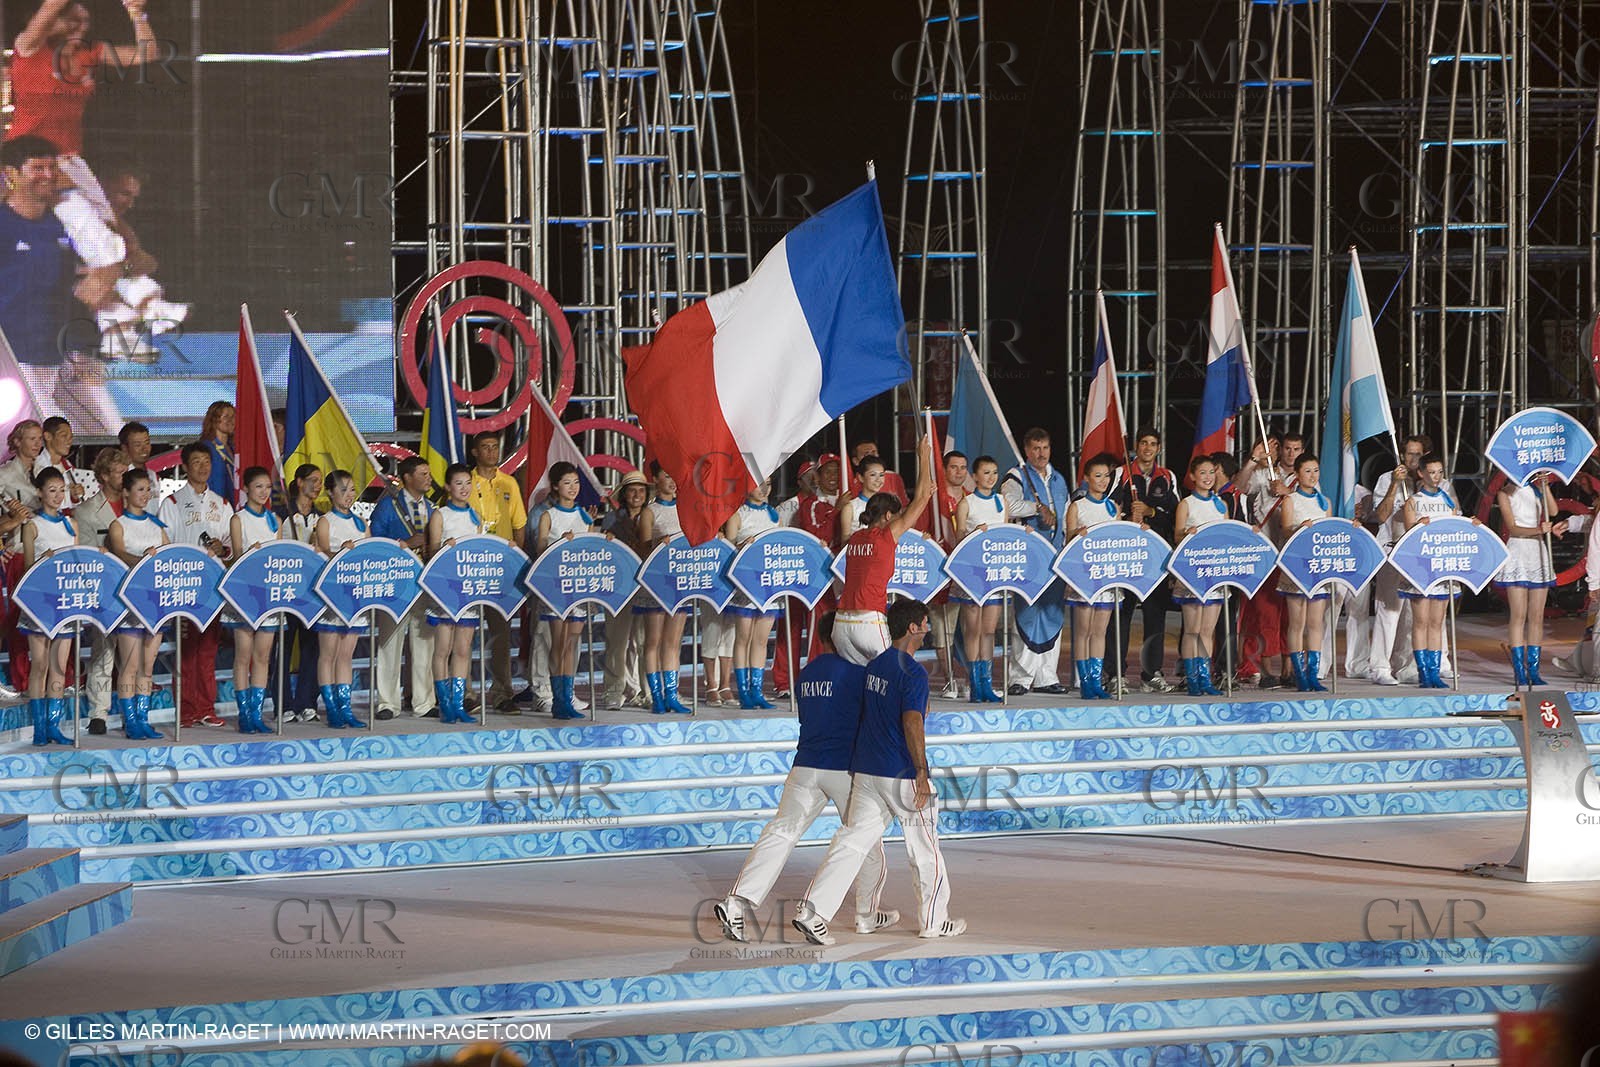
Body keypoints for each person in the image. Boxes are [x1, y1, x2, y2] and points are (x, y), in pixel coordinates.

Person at [713, 612, 893, 942]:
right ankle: (858, 914)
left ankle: (736, 903)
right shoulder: (860, 674)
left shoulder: (807, 673)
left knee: (781, 832)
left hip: (804, 765)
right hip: (845, 770)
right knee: (864, 842)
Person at [793, 599, 964, 945]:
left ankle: (819, 913)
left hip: (867, 772)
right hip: (900, 773)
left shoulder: (874, 667)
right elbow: (912, 720)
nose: (928, 628)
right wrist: (920, 771)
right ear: (913, 628)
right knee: (924, 848)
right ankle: (934, 921)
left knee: (851, 843)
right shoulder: (913, 673)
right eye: (925, 623)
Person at [0, 137, 119, 433]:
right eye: (37, 168)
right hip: (16, 362)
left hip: (67, 356)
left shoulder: (63, 222)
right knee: (42, 442)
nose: (48, 175)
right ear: (11, 173)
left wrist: (104, 277)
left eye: (51, 167)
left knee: (111, 435)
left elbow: (107, 265)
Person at [833, 435, 933, 666]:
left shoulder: (856, 537)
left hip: (842, 624)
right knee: (891, 676)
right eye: (897, 516)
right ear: (888, 516)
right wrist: (924, 457)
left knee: (859, 685)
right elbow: (922, 498)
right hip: (868, 621)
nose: (900, 520)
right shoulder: (885, 536)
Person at [157, 442, 231, 728]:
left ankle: (206, 707)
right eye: (196, 462)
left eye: (206, 461)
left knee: (208, 649)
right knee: (187, 649)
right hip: (184, 586)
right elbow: (164, 544)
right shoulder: (172, 503)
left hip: (212, 587)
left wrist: (222, 550)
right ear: (185, 466)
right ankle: (186, 708)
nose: (203, 467)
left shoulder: (222, 504)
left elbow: (228, 544)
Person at [1002, 428, 1071, 695]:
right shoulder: (1016, 476)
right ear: (1026, 450)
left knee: (1052, 614)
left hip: (1055, 557)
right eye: (1035, 449)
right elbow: (1006, 505)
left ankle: (1047, 676)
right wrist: (1035, 508)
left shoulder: (1059, 479)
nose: (1041, 454)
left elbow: (1065, 515)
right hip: (1029, 558)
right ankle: (1020, 677)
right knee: (1027, 614)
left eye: (1045, 448)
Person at [1111, 427, 1180, 693]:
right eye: (1143, 443)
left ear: (1158, 448)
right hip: (1127, 556)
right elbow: (1109, 508)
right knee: (1122, 613)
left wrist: (1150, 510)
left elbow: (1175, 513)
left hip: (1156, 558)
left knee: (1155, 616)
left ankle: (1152, 673)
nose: (1148, 448)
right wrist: (1128, 516)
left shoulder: (1167, 476)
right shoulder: (1122, 473)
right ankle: (1115, 672)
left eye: (1153, 444)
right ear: (1136, 447)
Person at [369, 457, 438, 720]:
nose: (429, 478)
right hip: (395, 583)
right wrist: (407, 543)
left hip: (424, 582)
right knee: (390, 641)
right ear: (407, 478)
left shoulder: (432, 508)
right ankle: (387, 702)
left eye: (429, 473)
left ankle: (423, 701)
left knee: (424, 642)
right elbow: (375, 540)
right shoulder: (388, 506)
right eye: (423, 474)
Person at [773, 453, 844, 698]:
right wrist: (838, 511)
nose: (834, 477)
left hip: (832, 577)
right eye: (828, 472)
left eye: (837, 471)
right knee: (792, 626)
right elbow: (816, 534)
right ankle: (784, 681)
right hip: (803, 574)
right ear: (817, 477)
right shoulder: (807, 504)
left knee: (822, 630)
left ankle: (817, 678)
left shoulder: (849, 501)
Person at [106, 467, 167, 740]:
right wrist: (143, 561)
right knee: (130, 663)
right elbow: (118, 552)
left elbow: (168, 555)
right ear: (127, 492)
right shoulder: (118, 525)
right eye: (140, 490)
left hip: (155, 603)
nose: (145, 495)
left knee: (148, 664)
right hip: (129, 602)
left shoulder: (157, 525)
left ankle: (143, 718)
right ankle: (129, 719)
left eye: (148, 490)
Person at [468, 432, 527, 712]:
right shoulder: (465, 483)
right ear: (475, 452)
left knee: (501, 634)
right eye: (485, 448)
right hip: (469, 569)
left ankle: (502, 693)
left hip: (501, 570)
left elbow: (519, 524)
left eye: (495, 447)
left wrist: (517, 561)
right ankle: (464, 693)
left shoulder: (509, 483)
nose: (491, 452)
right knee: (464, 633)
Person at [19, 467, 77, 745]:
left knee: (59, 667)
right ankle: (39, 726)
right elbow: (27, 568)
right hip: (39, 603)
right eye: (52, 490)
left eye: (61, 490)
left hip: (65, 604)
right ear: (40, 493)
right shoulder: (32, 525)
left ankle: (54, 725)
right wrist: (45, 559)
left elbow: (78, 563)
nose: (57, 496)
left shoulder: (71, 525)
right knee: (40, 665)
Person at [425, 463, 486, 725]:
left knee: (463, 649)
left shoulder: (475, 517)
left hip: (468, 592)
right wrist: (444, 550)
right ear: (449, 487)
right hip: (445, 590)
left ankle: (459, 702)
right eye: (458, 483)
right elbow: (430, 553)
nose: (464, 488)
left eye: (468, 483)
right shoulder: (441, 515)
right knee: (443, 648)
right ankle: (445, 703)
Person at [534, 461, 595, 721]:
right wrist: (560, 544)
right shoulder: (548, 516)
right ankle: (557, 699)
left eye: (576, 483)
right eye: (567, 483)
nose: (573, 488)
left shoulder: (585, 516)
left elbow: (592, 550)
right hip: (556, 589)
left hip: (578, 590)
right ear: (556, 486)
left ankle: (568, 696)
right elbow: (539, 553)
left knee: (572, 644)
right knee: (558, 644)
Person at [1368, 435, 1430, 685]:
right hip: (1391, 551)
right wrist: (1395, 484)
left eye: (1417, 454)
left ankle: (1406, 666)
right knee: (1389, 610)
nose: (1412, 459)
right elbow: (1381, 517)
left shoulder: (1430, 484)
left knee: (1412, 616)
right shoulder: (1387, 478)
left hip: (1419, 556)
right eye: (1408, 454)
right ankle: (1380, 666)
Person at [1496, 471, 1567, 687]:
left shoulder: (1536, 489)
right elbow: (1512, 526)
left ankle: (1534, 670)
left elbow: (1553, 510)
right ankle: (1519, 670)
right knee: (1519, 615)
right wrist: (1538, 528)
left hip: (1538, 551)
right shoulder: (1505, 493)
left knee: (1537, 616)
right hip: (1518, 550)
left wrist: (1545, 486)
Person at [1401, 454, 1465, 689]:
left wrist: (1472, 525)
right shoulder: (1413, 501)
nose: (1436, 477)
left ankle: (1435, 671)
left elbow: (1458, 529)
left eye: (1440, 472)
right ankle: (1423, 672)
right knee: (1421, 621)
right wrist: (1418, 526)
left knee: (1437, 622)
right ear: (1421, 474)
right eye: (1431, 472)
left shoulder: (1449, 501)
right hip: (1421, 567)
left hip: (1443, 568)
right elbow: (1408, 536)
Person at [1064, 454, 1124, 700]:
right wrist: (1078, 533)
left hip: (1107, 578)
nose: (1102, 481)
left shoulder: (1113, 507)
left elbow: (1120, 538)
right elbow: (1067, 542)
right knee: (1083, 631)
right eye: (1097, 476)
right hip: (1084, 577)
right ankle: (1085, 680)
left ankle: (1096, 680)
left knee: (1100, 631)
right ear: (1087, 478)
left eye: (1106, 476)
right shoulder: (1077, 506)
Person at [312, 470, 368, 728]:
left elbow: (370, 554)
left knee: (346, 654)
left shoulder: (361, 523)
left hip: (355, 597)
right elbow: (321, 553)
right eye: (343, 490)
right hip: (331, 597)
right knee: (328, 654)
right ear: (331, 492)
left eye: (352, 490)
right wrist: (339, 552)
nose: (349, 495)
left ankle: (345, 707)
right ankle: (331, 707)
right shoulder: (326, 521)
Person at [226, 467, 280, 734]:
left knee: (263, 656)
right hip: (245, 595)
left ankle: (257, 712)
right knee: (243, 656)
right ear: (246, 488)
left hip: (268, 597)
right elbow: (235, 557)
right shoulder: (238, 519)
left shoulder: (275, 521)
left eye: (268, 487)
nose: (264, 492)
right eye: (258, 486)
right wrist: (250, 554)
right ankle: (243, 712)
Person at [75, 446, 124, 733]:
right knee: (103, 650)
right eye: (119, 472)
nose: (124, 476)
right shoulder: (87, 510)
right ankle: (99, 713)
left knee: (137, 652)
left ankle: (134, 709)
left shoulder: (138, 504)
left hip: (135, 587)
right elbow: (85, 555)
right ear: (104, 476)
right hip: (105, 587)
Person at [723, 479, 784, 709]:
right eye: (758, 483)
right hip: (746, 584)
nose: (763, 488)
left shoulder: (774, 515)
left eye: (768, 483)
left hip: (768, 585)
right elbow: (726, 550)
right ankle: (744, 691)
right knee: (743, 638)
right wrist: (742, 548)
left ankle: (757, 690)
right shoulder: (737, 514)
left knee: (760, 640)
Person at [1173, 455, 1228, 697]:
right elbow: (1176, 536)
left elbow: (1228, 534)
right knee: (1192, 630)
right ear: (1193, 476)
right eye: (1202, 473)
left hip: (1215, 575)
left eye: (1211, 473)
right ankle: (1192, 677)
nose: (1208, 477)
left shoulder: (1221, 505)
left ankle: (1205, 677)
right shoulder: (1186, 504)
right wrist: (1187, 533)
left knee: (1208, 630)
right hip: (1192, 574)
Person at [639, 462, 692, 714]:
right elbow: (642, 548)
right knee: (653, 641)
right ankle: (656, 695)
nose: (672, 481)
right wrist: (660, 543)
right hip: (656, 583)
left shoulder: (686, 507)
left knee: (673, 642)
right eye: (667, 476)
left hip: (680, 584)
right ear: (655, 480)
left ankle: (672, 693)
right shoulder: (650, 512)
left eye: (674, 476)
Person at [952, 454, 1005, 702]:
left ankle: (987, 683)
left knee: (989, 630)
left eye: (994, 472)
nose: (991, 477)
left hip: (994, 575)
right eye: (986, 472)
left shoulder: (1001, 501)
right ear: (975, 476)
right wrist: (973, 533)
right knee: (972, 630)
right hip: (972, 574)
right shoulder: (967, 503)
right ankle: (974, 683)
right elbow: (959, 535)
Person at [1278, 453, 1331, 693]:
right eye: (1307, 471)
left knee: (1316, 624)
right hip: (1297, 567)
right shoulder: (1290, 500)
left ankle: (1313, 673)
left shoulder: (1325, 502)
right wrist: (1300, 528)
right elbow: (1286, 530)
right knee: (1297, 623)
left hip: (1319, 570)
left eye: (1316, 470)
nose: (1312, 475)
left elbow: (1330, 533)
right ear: (1297, 474)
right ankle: (1298, 674)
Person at [600, 470, 652, 711]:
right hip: (619, 587)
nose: (637, 495)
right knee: (617, 641)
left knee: (644, 642)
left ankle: (645, 691)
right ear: (624, 494)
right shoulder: (612, 520)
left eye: (642, 490)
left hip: (646, 587)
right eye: (632, 490)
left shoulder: (652, 517)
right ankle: (614, 690)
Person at [279, 464, 323, 723]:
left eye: (319, 482)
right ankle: (283, 704)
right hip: (286, 591)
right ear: (298, 482)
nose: (317, 486)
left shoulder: (323, 517)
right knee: (283, 648)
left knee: (312, 648)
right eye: (312, 481)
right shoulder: (282, 515)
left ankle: (307, 702)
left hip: (313, 592)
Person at [929, 450, 970, 699]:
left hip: (966, 575)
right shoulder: (934, 500)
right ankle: (949, 680)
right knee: (942, 628)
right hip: (939, 572)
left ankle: (971, 677)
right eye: (954, 467)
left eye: (963, 467)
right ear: (944, 470)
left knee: (969, 628)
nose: (959, 472)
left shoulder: (972, 499)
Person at [36, 417, 84, 508]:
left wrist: (74, 497)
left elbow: (71, 504)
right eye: (63, 436)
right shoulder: (38, 466)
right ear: (48, 436)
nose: (69, 441)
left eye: (70, 437)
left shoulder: (67, 465)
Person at [198, 401, 237, 506]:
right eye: (226, 417)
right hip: (213, 505)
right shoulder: (206, 447)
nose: (231, 420)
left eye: (233, 416)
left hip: (232, 504)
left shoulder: (233, 449)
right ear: (214, 420)